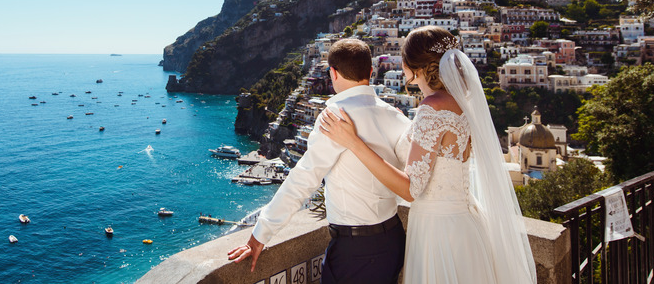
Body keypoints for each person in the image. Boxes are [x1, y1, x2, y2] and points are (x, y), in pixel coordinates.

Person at [319, 26, 537, 283]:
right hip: (467, 224)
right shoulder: (460, 103)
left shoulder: (431, 109)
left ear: (415, 67)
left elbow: (411, 189)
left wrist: (354, 143)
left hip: (438, 230)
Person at [228, 38, 411, 284]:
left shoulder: (335, 117)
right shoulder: (396, 116)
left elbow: (303, 179)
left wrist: (260, 234)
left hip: (356, 249)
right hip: (394, 239)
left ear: (332, 73)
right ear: (371, 71)